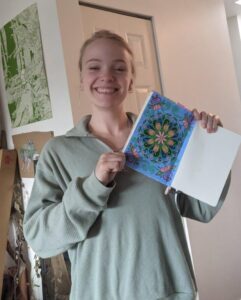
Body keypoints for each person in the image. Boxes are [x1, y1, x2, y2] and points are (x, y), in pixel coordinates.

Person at [23, 30, 230, 300]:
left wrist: (212, 148)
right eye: (94, 67)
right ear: (82, 80)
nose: (107, 76)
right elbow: (41, 240)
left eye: (119, 68)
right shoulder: (59, 152)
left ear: (131, 81)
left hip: (168, 291)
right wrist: (93, 187)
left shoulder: (163, 136)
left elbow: (202, 209)